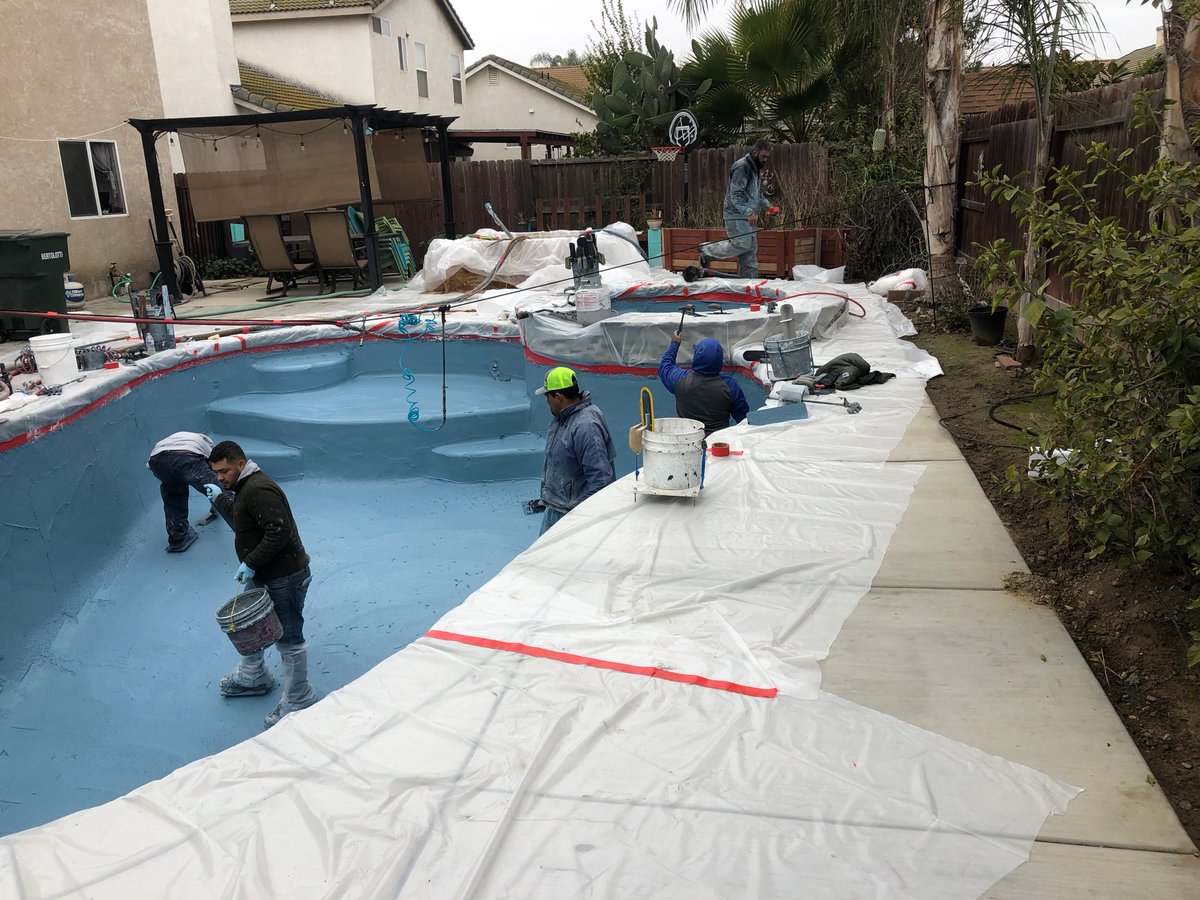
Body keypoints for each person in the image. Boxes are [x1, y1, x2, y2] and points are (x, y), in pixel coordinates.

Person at [204, 440, 319, 729]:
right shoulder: (242, 489)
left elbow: (278, 531)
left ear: (241, 465)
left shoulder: (258, 490)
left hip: (285, 577)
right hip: (264, 574)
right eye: (215, 473)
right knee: (247, 622)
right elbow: (244, 522)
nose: (220, 477)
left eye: (224, 472)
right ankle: (253, 675)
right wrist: (219, 499)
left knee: (288, 638)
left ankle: (299, 697)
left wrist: (251, 562)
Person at [536, 366, 616, 535]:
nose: (546, 401)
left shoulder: (586, 427)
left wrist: (583, 523)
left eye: (547, 395)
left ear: (558, 397)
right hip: (556, 507)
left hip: (571, 516)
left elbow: (601, 481)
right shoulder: (561, 417)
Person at [699, 139, 773, 277]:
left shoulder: (755, 168)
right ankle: (707, 251)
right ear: (755, 152)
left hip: (748, 218)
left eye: (767, 157)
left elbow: (757, 194)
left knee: (750, 252)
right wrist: (749, 212)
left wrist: (769, 207)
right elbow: (736, 194)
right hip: (736, 215)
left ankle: (749, 283)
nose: (765, 160)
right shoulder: (742, 167)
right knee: (742, 244)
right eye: (763, 156)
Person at [146, 431, 227, 553]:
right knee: (217, 489)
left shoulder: (184, 438)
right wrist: (216, 508)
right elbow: (213, 484)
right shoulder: (208, 447)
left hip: (157, 461)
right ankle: (249, 527)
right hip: (186, 457)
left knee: (174, 495)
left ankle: (178, 538)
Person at [659, 333, 750, 436]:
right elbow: (744, 420)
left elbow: (665, 366)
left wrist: (675, 344)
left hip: (686, 441)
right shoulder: (730, 386)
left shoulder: (680, 380)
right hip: (717, 444)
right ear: (719, 359)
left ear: (697, 356)